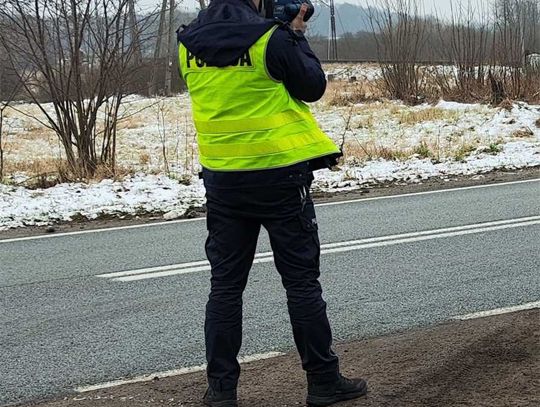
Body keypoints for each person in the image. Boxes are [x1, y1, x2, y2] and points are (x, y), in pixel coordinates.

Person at [177, 0, 368, 405]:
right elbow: (312, 87)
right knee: (301, 283)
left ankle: (222, 391)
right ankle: (323, 381)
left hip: (223, 179)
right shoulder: (272, 39)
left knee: (225, 288)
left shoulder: (187, 44)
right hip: (279, 176)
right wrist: (295, 34)